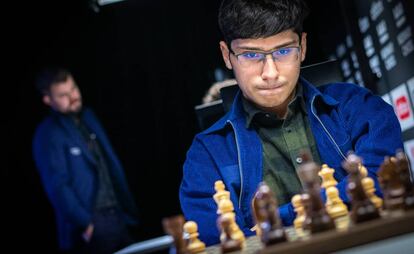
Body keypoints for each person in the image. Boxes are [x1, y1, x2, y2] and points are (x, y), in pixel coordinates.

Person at [179, 0, 403, 246]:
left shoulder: (358, 106)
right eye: (251, 54)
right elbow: (215, 240)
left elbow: (384, 182)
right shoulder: (206, 153)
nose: (271, 73)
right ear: (227, 55)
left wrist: (277, 216)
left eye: (284, 50)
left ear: (303, 46)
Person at [32, 67, 139, 254]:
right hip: (92, 223)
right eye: (63, 95)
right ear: (48, 100)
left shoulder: (88, 117)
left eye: (73, 89)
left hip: (117, 216)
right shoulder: (48, 134)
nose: (73, 96)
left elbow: (109, 164)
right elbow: (57, 186)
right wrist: (86, 224)